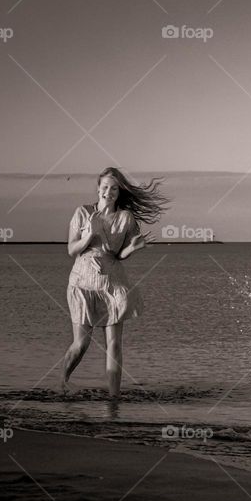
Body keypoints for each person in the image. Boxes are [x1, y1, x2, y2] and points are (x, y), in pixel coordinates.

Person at [60, 167, 169, 398]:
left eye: (114, 188)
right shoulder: (82, 212)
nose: (109, 192)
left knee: (115, 345)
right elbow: (71, 249)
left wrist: (133, 247)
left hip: (112, 285)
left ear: (119, 193)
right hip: (82, 283)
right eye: (105, 187)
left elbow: (119, 255)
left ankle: (114, 398)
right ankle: (63, 381)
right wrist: (88, 237)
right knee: (82, 344)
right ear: (98, 188)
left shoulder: (126, 219)